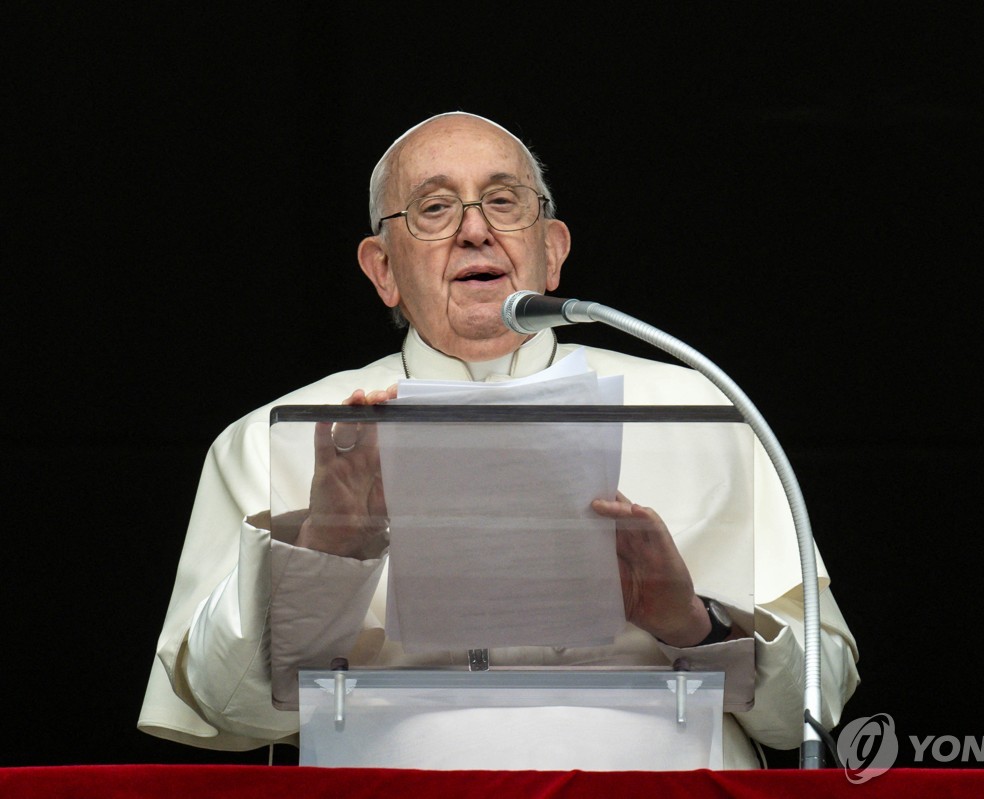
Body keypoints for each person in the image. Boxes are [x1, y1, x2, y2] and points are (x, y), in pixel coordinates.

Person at [138, 112, 860, 768]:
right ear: (383, 269)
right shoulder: (275, 437)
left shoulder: (706, 411)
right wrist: (326, 547)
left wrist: (694, 625)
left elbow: (815, 702)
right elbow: (226, 713)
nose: (475, 230)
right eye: (434, 207)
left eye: (503, 201)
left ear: (551, 251)